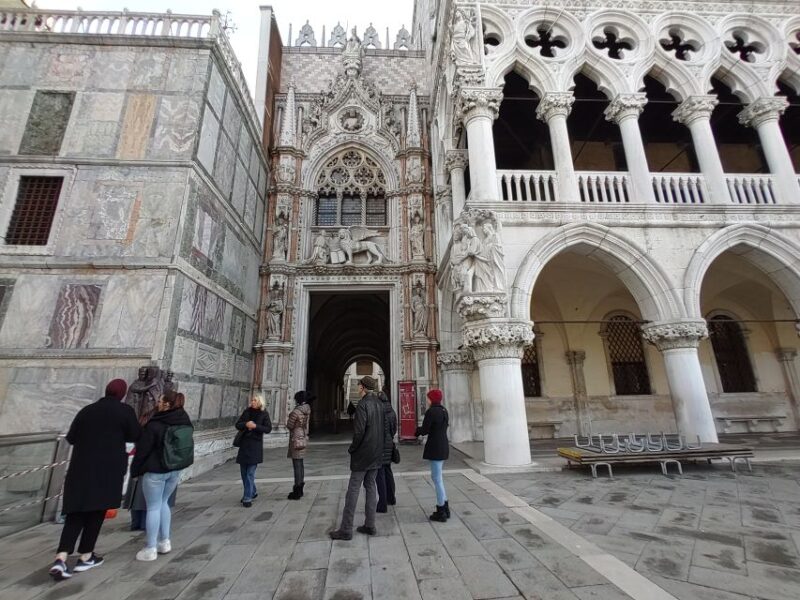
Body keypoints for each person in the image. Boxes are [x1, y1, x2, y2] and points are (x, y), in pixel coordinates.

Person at [49, 379, 141, 581]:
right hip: (107, 471)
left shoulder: (86, 411)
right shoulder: (124, 411)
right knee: (97, 513)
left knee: (75, 514)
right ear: (123, 394)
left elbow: (71, 438)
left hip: (81, 470)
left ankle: (61, 557)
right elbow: (135, 434)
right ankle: (86, 556)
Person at [131, 390, 193, 561]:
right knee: (164, 503)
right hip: (174, 469)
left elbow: (142, 451)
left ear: (166, 404)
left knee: (153, 507)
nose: (157, 402)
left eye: (160, 400)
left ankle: (150, 548)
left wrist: (135, 471)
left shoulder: (155, 424)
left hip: (155, 471)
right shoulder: (185, 420)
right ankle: (165, 541)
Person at [329, 376, 384, 540]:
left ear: (363, 387)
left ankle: (346, 529)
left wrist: (353, 448)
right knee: (371, 487)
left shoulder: (363, 405)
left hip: (363, 454)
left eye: (359, 384)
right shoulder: (379, 404)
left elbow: (359, 432)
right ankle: (370, 525)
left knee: (353, 489)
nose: (358, 386)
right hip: (376, 452)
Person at [416, 389, 450, 522]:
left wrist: (416, 431)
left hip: (435, 447)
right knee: (438, 477)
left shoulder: (431, 412)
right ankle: (445, 506)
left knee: (437, 479)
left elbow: (425, 430)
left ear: (432, 399)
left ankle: (441, 510)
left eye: (428, 398)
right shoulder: (444, 411)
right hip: (443, 446)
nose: (428, 400)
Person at [235, 393, 272, 507]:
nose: (252, 402)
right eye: (252, 400)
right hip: (244, 445)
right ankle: (253, 491)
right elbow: (238, 424)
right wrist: (246, 424)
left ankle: (247, 497)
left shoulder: (264, 413)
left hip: (255, 446)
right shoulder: (247, 412)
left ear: (260, 402)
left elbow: (268, 428)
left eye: (255, 400)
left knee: (250, 473)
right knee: (243, 473)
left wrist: (256, 426)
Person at [287, 391, 312, 500]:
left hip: (296, 438)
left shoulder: (296, 412)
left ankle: (297, 490)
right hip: (302, 435)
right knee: (300, 463)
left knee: (296, 464)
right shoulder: (307, 409)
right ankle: (300, 487)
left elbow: (289, 425)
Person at [375, 388, 397, 513]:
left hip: (380, 445)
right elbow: (394, 430)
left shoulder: (378, 412)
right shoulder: (392, 412)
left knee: (380, 474)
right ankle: (391, 498)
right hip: (389, 444)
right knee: (388, 471)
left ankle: (382, 503)